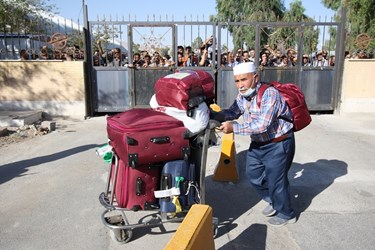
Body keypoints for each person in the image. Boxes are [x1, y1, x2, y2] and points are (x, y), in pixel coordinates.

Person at [211, 62, 297, 227]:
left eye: (244, 79)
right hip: (259, 143)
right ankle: (274, 199)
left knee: (276, 181)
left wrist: (234, 128)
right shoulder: (243, 95)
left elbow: (261, 125)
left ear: (255, 77)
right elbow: (233, 112)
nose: (240, 85)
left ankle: (286, 213)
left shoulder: (269, 94)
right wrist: (215, 115)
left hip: (278, 143)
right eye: (237, 81)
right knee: (253, 175)